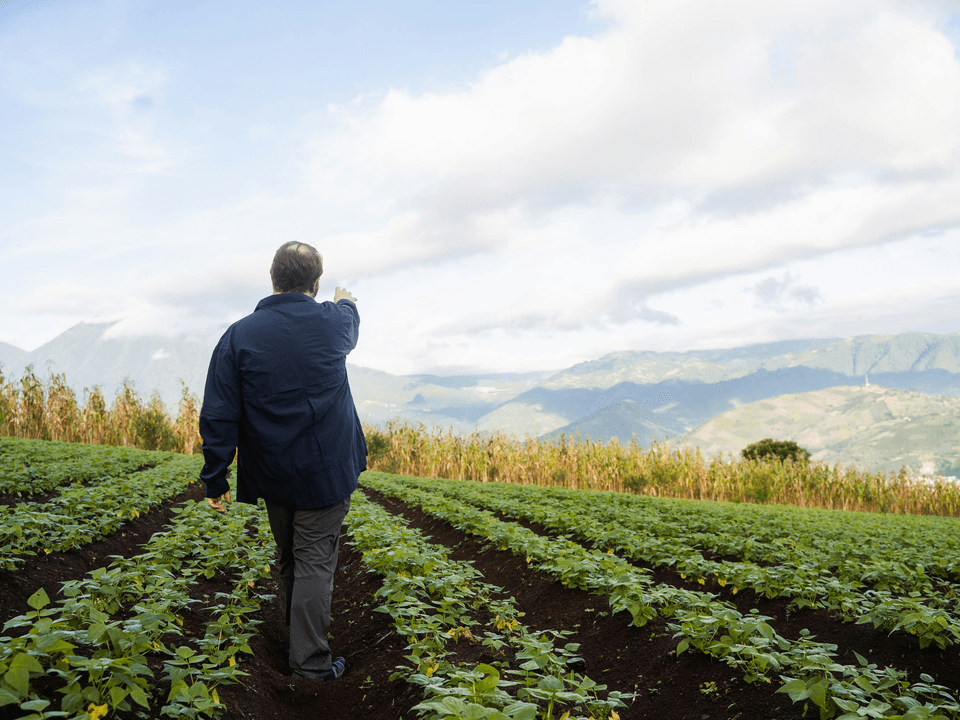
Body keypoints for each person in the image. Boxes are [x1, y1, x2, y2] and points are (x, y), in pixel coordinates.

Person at [198, 241, 367, 681]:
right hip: (326, 472)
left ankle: (300, 641)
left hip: (273, 472)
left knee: (291, 556)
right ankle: (310, 665)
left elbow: (219, 413)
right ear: (316, 283)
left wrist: (215, 478)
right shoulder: (332, 321)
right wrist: (345, 299)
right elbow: (350, 320)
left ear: (272, 278)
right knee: (313, 561)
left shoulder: (239, 335)